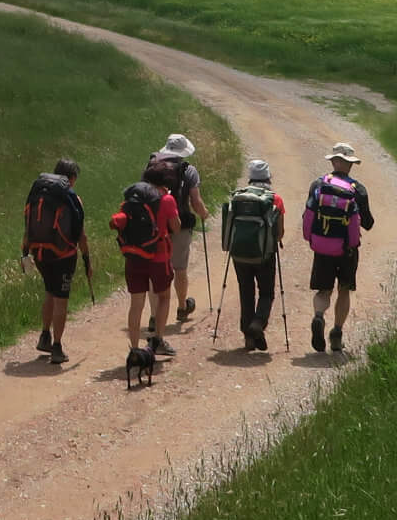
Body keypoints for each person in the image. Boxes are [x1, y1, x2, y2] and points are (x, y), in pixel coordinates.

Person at [303, 142, 376, 356]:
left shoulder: (318, 185)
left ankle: (318, 315)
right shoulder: (358, 189)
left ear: (333, 161)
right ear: (350, 164)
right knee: (344, 289)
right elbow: (368, 223)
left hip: (323, 246)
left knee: (323, 290)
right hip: (347, 249)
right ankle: (336, 333)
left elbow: (308, 215)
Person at [22, 158, 90, 362]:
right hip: (63, 257)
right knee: (61, 299)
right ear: (72, 178)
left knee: (49, 292)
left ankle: (45, 335)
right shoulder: (72, 198)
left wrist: (25, 254)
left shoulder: (39, 193)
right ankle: (57, 347)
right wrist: (87, 259)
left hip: (39, 253)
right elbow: (81, 236)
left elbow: (28, 227)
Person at [111, 162, 179, 365]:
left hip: (135, 256)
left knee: (136, 304)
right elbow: (176, 227)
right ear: (165, 181)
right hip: (159, 257)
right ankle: (157, 339)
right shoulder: (166, 199)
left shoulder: (133, 198)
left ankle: (133, 349)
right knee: (164, 297)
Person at [220, 158, 284, 351]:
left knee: (245, 292)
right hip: (264, 255)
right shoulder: (274, 199)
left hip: (238, 255)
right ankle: (258, 323)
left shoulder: (238, 197)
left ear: (250, 177)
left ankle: (248, 336)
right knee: (266, 293)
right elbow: (279, 232)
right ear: (268, 177)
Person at [148, 133, 207, 326]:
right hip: (179, 224)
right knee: (180, 269)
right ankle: (182, 308)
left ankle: (154, 316)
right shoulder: (188, 170)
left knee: (155, 271)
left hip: (154, 227)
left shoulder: (152, 165)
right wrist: (204, 214)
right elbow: (195, 202)